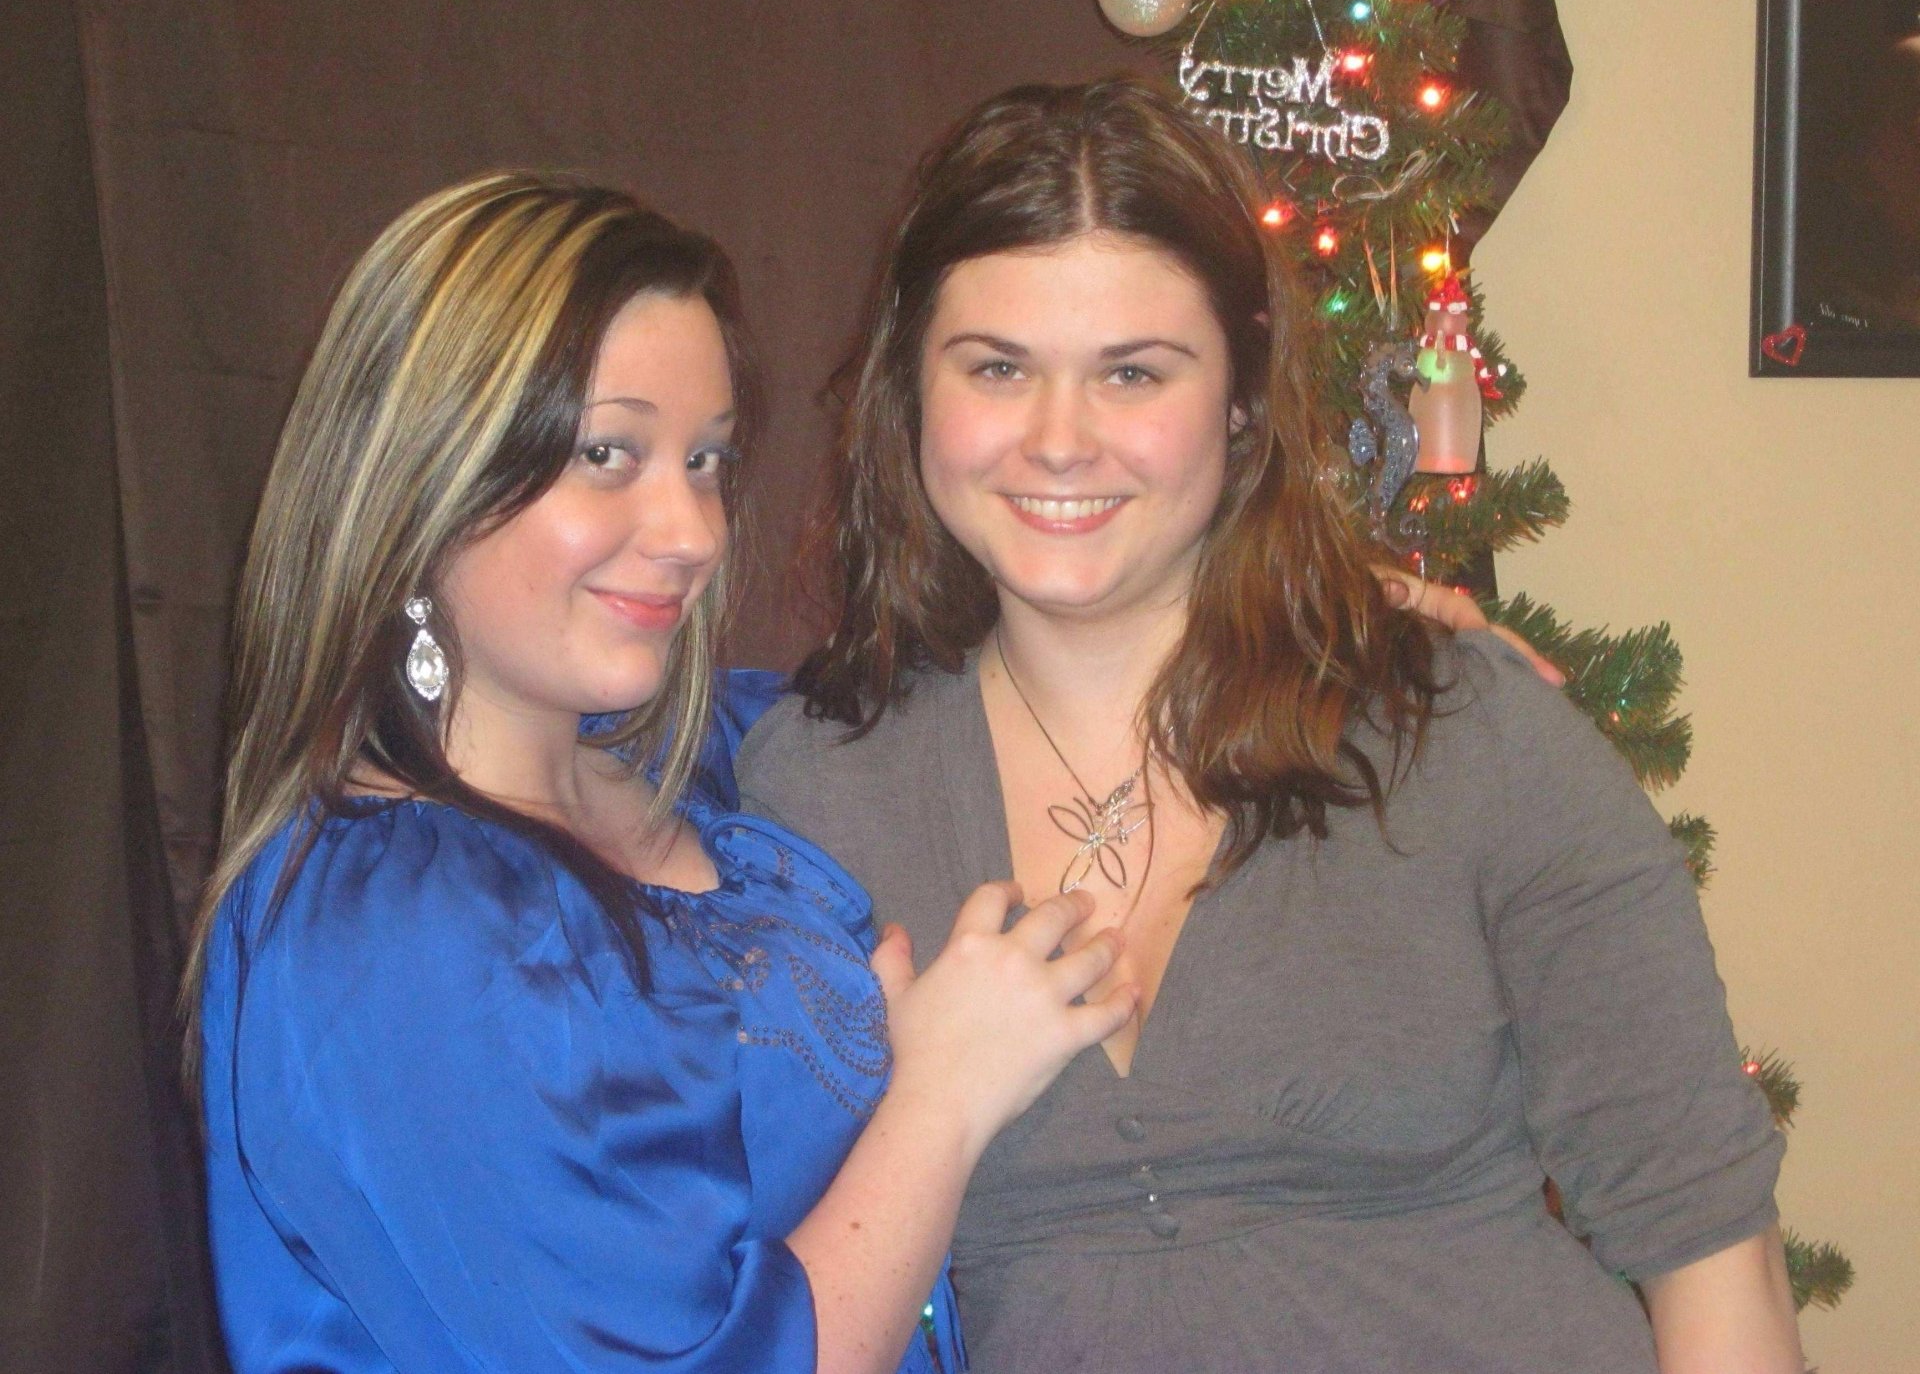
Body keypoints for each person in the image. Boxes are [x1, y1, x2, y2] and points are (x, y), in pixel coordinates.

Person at [737, 78, 1805, 1373]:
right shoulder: (814, 791)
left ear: (1241, 395)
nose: (1059, 440)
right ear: (913, 387)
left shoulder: (1462, 734)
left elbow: (1712, 1251)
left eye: (1134, 372)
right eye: (998, 368)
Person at [186, 173, 1140, 1374]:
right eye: (607, 452)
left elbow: (1007, 689)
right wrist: (941, 1099)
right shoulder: (394, 933)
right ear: (423, 480)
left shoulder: (711, 763)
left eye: (705, 460)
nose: (692, 532)